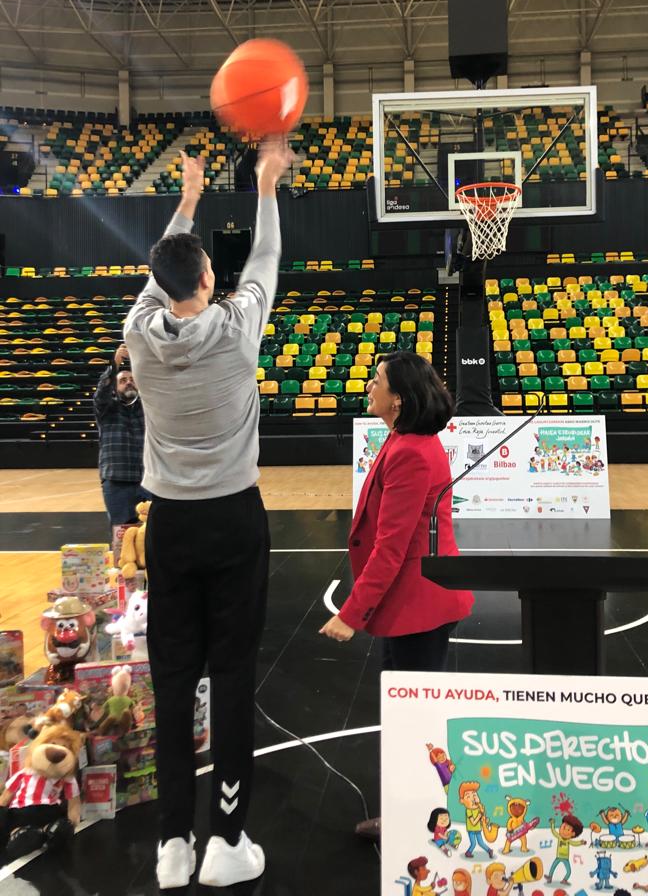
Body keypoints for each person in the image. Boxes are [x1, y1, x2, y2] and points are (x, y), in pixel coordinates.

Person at [123, 139, 291, 890]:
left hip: (172, 523)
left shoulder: (138, 333)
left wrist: (188, 197)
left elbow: (162, 265)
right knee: (230, 676)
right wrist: (264, 185)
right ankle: (226, 840)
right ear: (208, 278)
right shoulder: (238, 326)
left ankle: (171, 846)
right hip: (232, 519)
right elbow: (267, 257)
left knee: (171, 677)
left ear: (160, 284)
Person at [319, 350, 474, 839]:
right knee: (411, 710)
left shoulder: (409, 450)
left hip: (417, 603)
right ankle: (421, 809)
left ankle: (417, 817)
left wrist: (351, 612)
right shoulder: (406, 440)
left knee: (412, 715)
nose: (369, 385)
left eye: (378, 380)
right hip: (416, 600)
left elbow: (392, 545)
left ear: (398, 400)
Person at [93, 343, 150, 530]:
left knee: (155, 532)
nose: (128, 382)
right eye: (123, 380)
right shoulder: (106, 410)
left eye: (132, 379)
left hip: (149, 479)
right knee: (122, 534)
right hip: (117, 481)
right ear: (115, 387)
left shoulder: (148, 409)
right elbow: (101, 394)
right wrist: (114, 365)